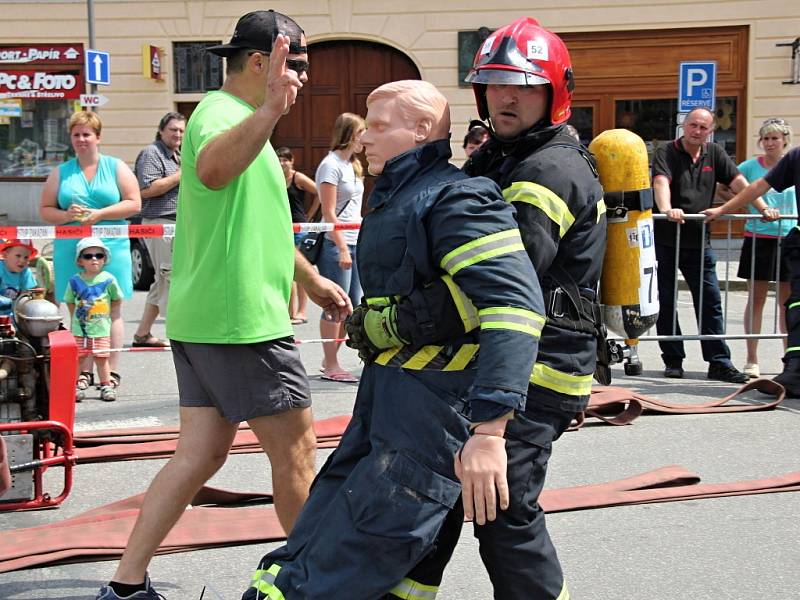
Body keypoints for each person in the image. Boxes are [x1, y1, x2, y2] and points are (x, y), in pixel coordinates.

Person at [241, 79, 544, 600]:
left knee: (360, 544)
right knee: (327, 529)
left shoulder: (456, 197)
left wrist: (491, 429)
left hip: (432, 407)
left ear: (422, 129)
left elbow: (514, 307)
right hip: (389, 397)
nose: (364, 138)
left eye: (379, 126)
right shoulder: (402, 194)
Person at [96, 10, 350, 600]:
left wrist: (308, 278)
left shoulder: (242, 122)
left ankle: (126, 587)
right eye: (299, 64)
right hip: (240, 323)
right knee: (297, 454)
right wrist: (268, 112)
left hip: (210, 317)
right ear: (263, 62)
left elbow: (256, 221)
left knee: (200, 454)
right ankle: (317, 585)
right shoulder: (221, 113)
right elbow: (209, 173)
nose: (304, 78)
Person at [376, 18, 606, 599]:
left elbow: (504, 284)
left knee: (502, 506)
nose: (506, 96)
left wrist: (397, 324)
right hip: (496, 366)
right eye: (496, 84)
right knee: (438, 497)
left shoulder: (549, 172)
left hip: (539, 368)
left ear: (553, 93)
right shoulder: (494, 161)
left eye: (524, 85)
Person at [39, 111, 141, 391]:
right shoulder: (61, 172)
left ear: (98, 137)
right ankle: (82, 371)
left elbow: (134, 203)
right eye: (76, 135)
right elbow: (45, 210)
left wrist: (101, 214)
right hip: (71, 246)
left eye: (87, 134)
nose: (82, 140)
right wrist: (65, 214)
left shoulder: (116, 166)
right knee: (78, 309)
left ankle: (112, 371)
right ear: (70, 139)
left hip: (111, 245)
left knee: (112, 309)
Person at [652, 106, 749, 383]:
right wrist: (667, 209)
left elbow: (740, 183)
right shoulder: (666, 152)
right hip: (667, 241)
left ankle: (719, 361)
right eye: (692, 125)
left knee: (710, 303)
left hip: (700, 242)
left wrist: (763, 206)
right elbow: (661, 183)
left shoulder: (715, 153)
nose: (696, 131)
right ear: (684, 125)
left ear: (710, 131)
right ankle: (673, 359)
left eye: (702, 127)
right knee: (666, 302)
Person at [703, 141, 800, 395]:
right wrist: (724, 209)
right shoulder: (797, 157)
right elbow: (758, 187)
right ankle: (796, 370)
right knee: (796, 308)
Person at [717, 119, 795, 378]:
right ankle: (752, 358)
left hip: (789, 237)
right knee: (757, 298)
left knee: (788, 302)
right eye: (766, 138)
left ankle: (790, 358)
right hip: (759, 237)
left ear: (785, 139)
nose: (770, 143)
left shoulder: (792, 162)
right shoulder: (750, 166)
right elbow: (724, 188)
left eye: (775, 138)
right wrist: (748, 208)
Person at [315, 112, 366, 382]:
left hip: (356, 239)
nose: (365, 139)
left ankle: (329, 359)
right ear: (349, 135)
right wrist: (342, 247)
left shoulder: (353, 165)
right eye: (361, 133)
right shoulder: (330, 165)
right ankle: (331, 364)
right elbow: (329, 212)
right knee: (336, 303)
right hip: (337, 244)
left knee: (354, 306)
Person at [131, 112, 186, 348]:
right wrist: (182, 175)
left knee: (161, 279)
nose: (178, 134)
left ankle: (142, 334)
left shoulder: (178, 157)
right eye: (173, 129)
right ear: (162, 130)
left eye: (182, 131)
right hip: (159, 222)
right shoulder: (151, 154)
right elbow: (146, 189)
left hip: (177, 223)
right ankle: (180, 332)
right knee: (170, 275)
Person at [64, 237, 123, 402]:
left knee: (101, 358)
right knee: (79, 358)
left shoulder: (108, 279)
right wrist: (76, 317)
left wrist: (107, 315)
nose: (94, 259)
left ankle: (106, 385)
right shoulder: (75, 281)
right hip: (79, 329)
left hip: (101, 328)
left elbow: (117, 299)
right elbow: (69, 301)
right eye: (88, 256)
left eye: (99, 255)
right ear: (80, 260)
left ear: (104, 259)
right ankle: (74, 386)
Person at [277, 146, 318, 324]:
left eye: (285, 159)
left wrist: (310, 214)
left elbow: (319, 192)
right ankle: (290, 312)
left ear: (291, 161)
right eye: (279, 159)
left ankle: (302, 311)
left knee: (299, 270)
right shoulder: (275, 177)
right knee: (288, 270)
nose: (282, 162)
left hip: (300, 228)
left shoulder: (297, 177)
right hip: (283, 226)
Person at [0, 239, 38, 317]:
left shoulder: (25, 273)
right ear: (5, 255)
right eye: (18, 256)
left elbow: (26, 295)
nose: (22, 260)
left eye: (26, 257)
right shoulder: (1, 269)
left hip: (14, 316)